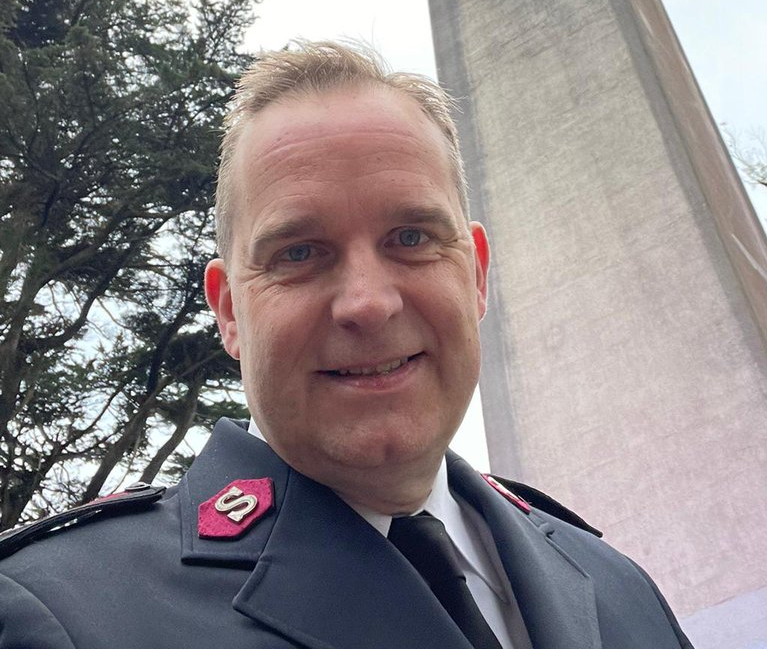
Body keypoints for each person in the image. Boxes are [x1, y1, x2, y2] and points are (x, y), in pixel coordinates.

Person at [0, 42, 693, 648]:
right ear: (230, 311)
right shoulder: (62, 615)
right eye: (299, 252)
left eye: (412, 238)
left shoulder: (616, 585)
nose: (368, 302)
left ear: (476, 274)